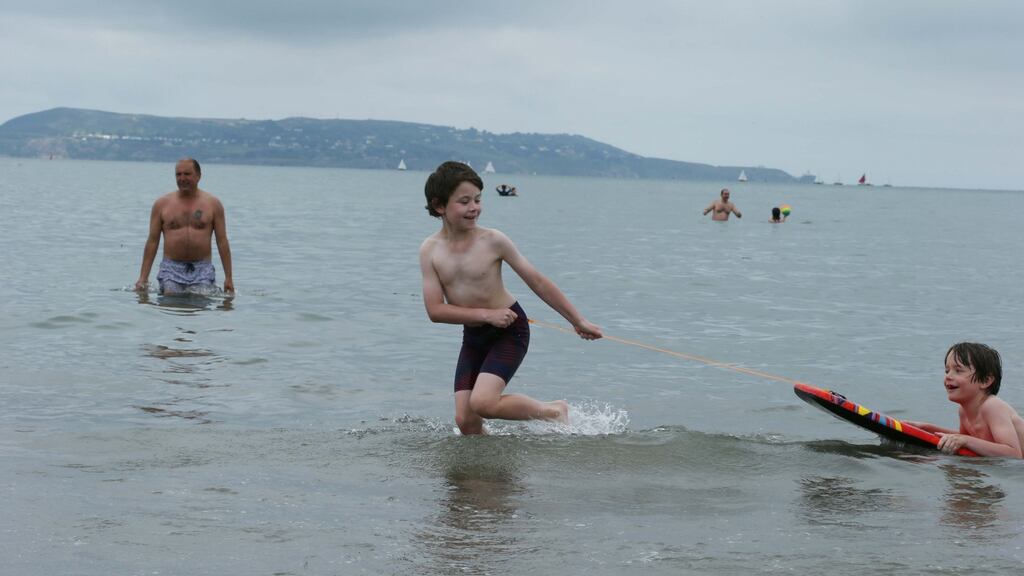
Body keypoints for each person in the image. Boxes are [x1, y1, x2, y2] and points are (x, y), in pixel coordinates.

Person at [419, 161, 602, 435]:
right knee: (466, 422)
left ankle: (554, 411)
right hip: (475, 335)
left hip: (510, 331)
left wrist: (579, 320)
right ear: (439, 206)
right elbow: (435, 311)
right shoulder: (430, 250)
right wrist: (486, 316)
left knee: (483, 402)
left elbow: (537, 281)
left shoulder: (493, 241)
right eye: (464, 201)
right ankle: (484, 475)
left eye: (478, 200)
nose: (474, 208)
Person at [905, 342, 1024, 458]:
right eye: (947, 371)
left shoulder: (993, 406)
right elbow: (962, 438)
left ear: (986, 381)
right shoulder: (964, 410)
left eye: (958, 370)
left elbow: (1013, 454)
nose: (948, 376)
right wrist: (926, 428)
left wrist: (965, 440)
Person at [135, 158, 234, 295]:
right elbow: (152, 241)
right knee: (170, 296)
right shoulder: (162, 204)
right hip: (171, 267)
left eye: (187, 174)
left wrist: (229, 278)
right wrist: (143, 277)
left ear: (198, 176)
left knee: (201, 301)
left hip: (202, 268)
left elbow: (222, 241)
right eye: (178, 174)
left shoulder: (213, 204)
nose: (182, 178)